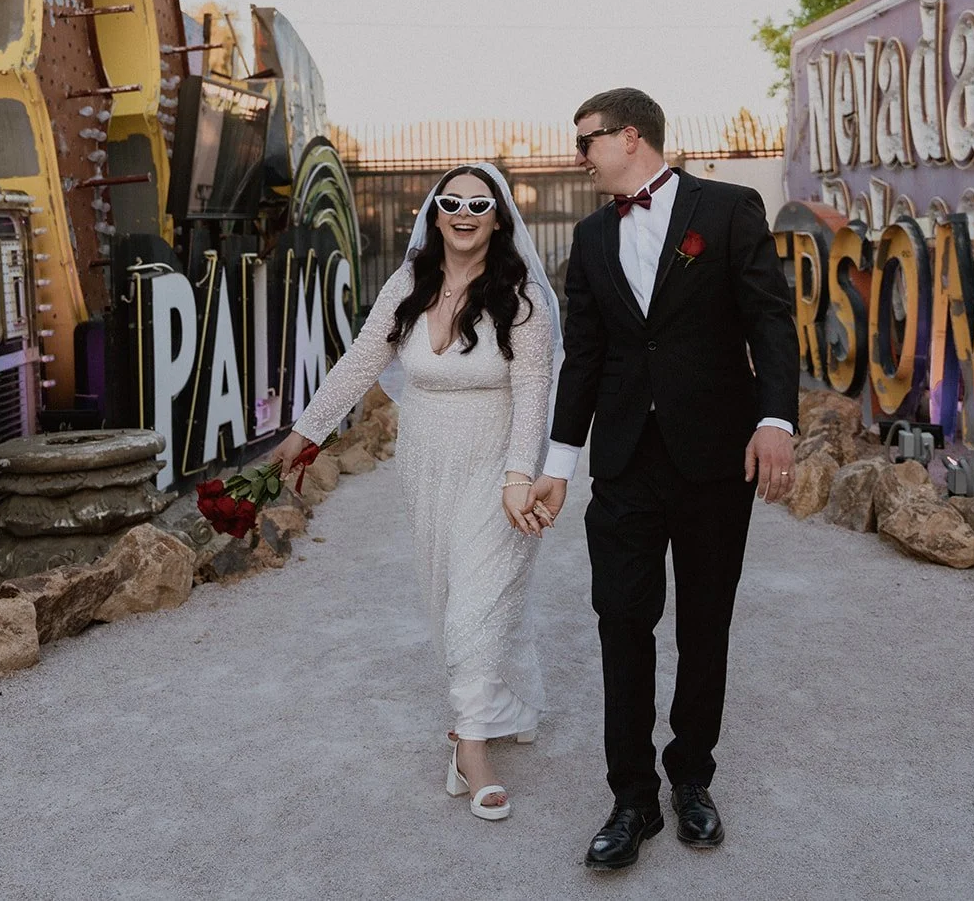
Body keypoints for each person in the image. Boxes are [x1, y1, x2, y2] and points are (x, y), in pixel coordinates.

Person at [530, 88, 799, 869]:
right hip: (624, 463)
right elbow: (585, 354)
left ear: (632, 136)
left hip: (716, 457)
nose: (579, 154)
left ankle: (693, 778)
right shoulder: (588, 236)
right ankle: (630, 797)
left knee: (705, 620)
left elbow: (769, 319)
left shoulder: (728, 210)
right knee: (621, 620)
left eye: (587, 139)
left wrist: (775, 419)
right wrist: (557, 464)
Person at [273, 163, 559, 822]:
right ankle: (498, 703)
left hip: (499, 467)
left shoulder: (523, 298)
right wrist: (307, 431)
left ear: (498, 217)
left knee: (478, 601)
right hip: (427, 463)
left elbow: (534, 390)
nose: (463, 212)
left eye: (478, 204)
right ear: (434, 214)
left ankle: (471, 746)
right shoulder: (407, 284)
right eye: (450, 201)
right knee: (447, 594)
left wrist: (520, 474)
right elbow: (360, 362)